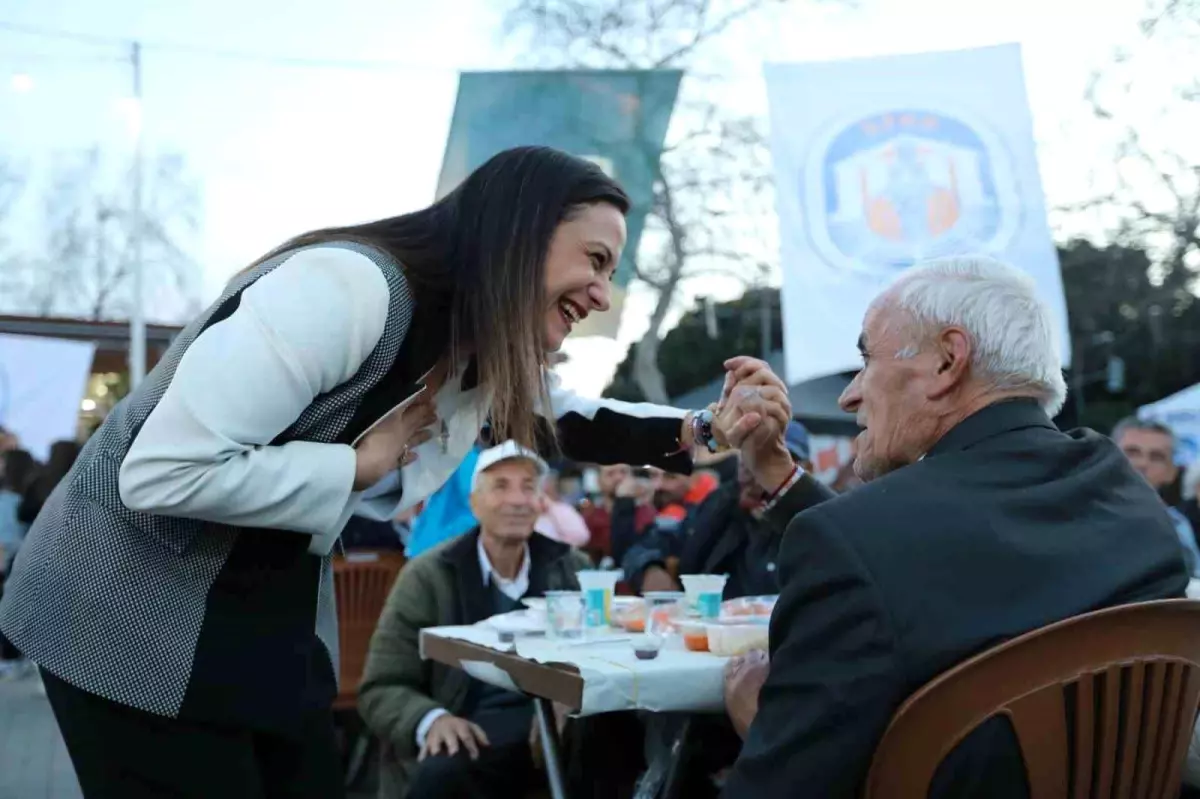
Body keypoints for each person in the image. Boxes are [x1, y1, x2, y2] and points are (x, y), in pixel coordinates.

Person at [0, 146, 729, 799]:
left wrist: (707, 426)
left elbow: (567, 416)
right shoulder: (349, 289)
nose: (604, 293)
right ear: (522, 232)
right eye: (596, 260)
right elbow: (159, 472)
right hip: (123, 612)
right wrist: (356, 464)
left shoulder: (474, 345)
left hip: (262, 616)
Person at [716, 256, 1188, 798]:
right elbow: (928, 554)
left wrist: (758, 721)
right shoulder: (1130, 499)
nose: (849, 395)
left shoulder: (855, 541)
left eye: (866, 360)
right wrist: (781, 476)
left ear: (947, 360)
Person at [358, 441, 590, 798]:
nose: (517, 499)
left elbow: (603, 657)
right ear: (474, 504)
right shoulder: (429, 576)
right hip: (470, 725)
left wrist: (571, 698)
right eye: (500, 486)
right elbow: (382, 685)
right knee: (442, 773)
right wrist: (432, 720)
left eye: (528, 487)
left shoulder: (573, 568)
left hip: (553, 727)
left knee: (608, 741)